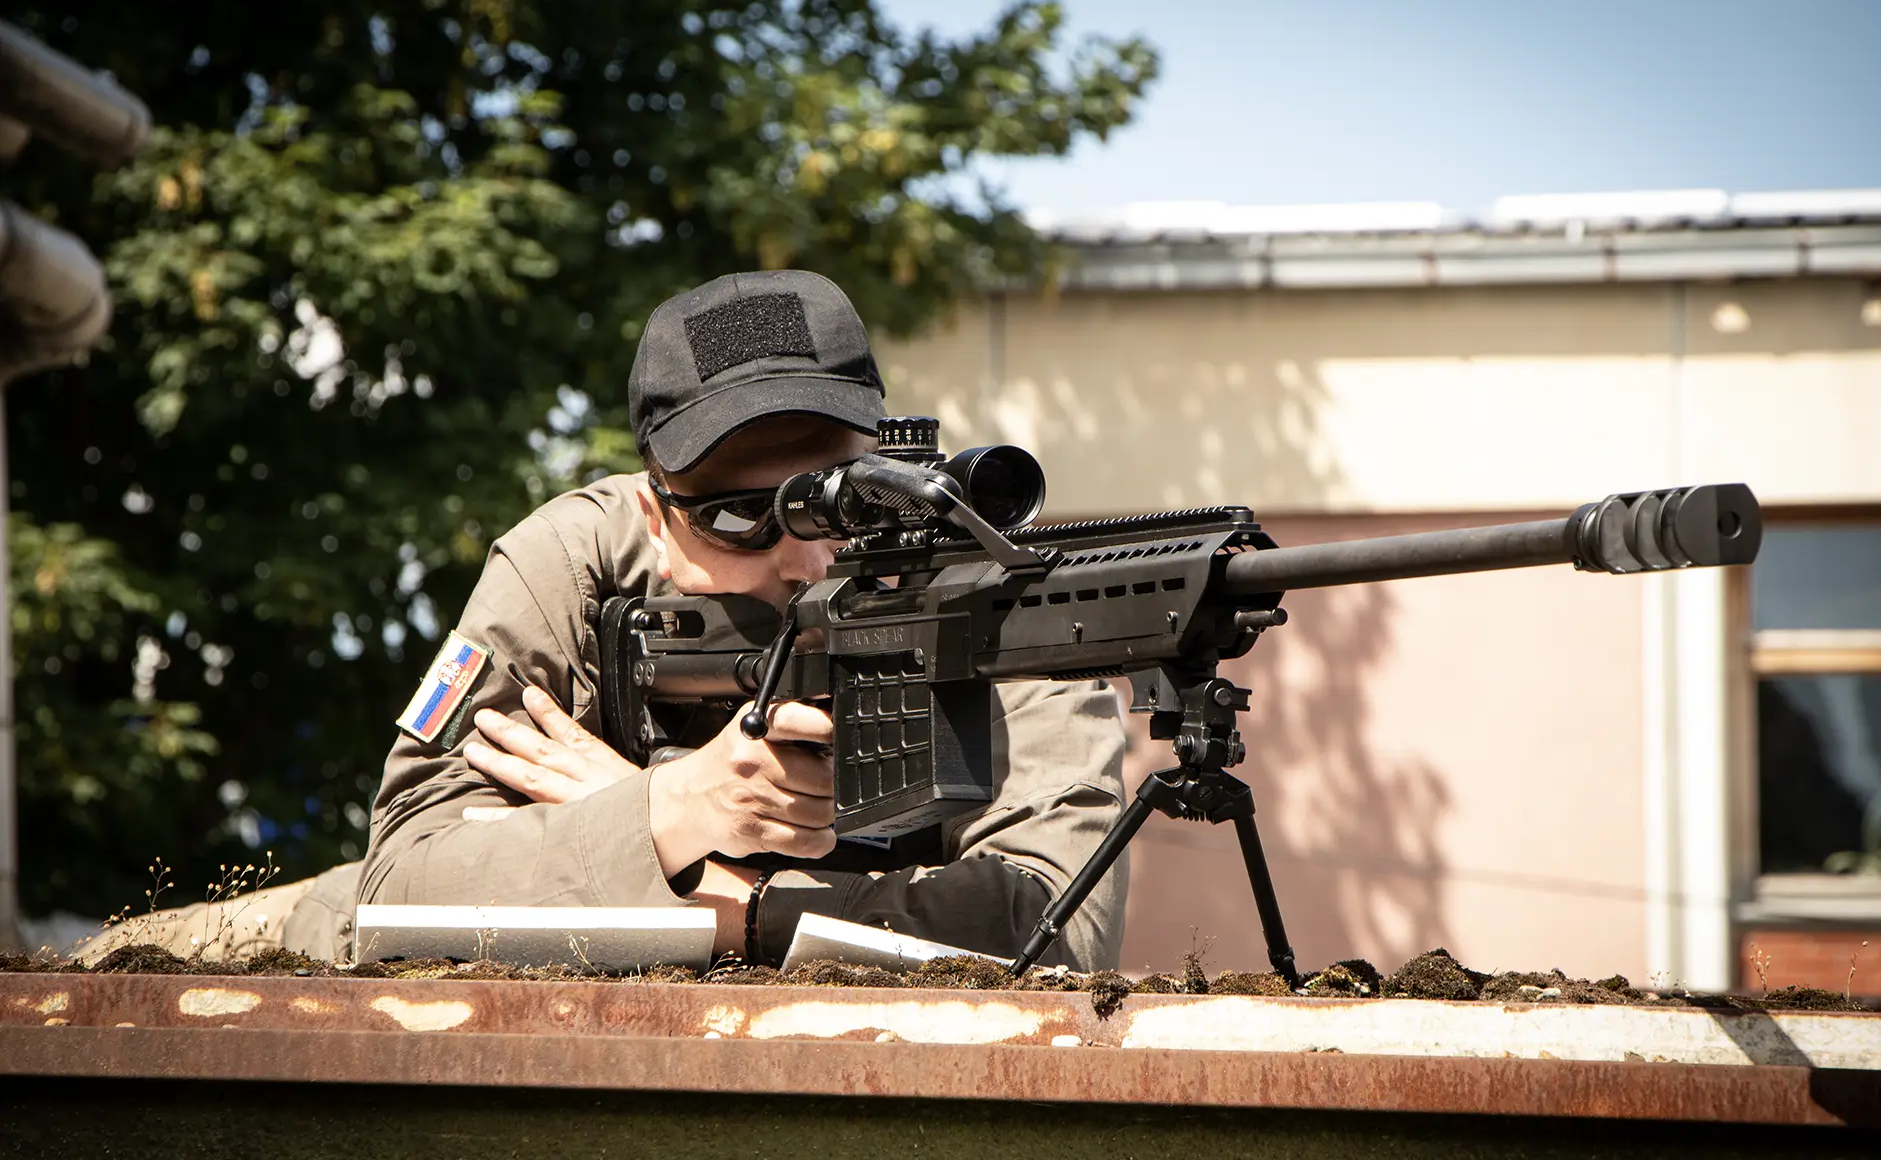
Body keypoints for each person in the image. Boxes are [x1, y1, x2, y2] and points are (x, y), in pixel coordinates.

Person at [74, 269, 1127, 972]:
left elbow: (1053, 930)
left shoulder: (988, 587)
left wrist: (701, 873)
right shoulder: (572, 564)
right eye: (740, 517)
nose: (805, 555)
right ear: (653, 513)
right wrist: (677, 807)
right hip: (317, 940)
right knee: (100, 968)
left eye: (839, 500)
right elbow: (400, 883)